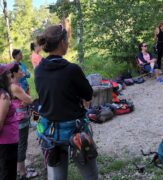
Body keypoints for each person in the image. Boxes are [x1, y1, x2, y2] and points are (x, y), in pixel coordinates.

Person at [35, 25, 98, 180]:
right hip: (74, 129)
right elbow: (88, 94)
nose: (68, 44)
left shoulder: (38, 70)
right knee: (89, 174)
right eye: (67, 40)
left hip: (49, 130)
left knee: (56, 176)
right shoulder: (71, 69)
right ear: (62, 43)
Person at [9, 63, 37, 180]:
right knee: (22, 145)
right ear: (14, 73)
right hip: (20, 119)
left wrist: (25, 99)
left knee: (20, 144)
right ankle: (22, 172)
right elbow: (29, 99)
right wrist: (26, 99)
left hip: (17, 118)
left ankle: (20, 168)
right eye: (20, 70)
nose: (23, 72)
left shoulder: (11, 85)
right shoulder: (15, 87)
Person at [0, 63, 19, 180]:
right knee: (8, 173)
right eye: (7, 72)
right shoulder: (4, 96)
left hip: (6, 141)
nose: (10, 75)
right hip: (7, 142)